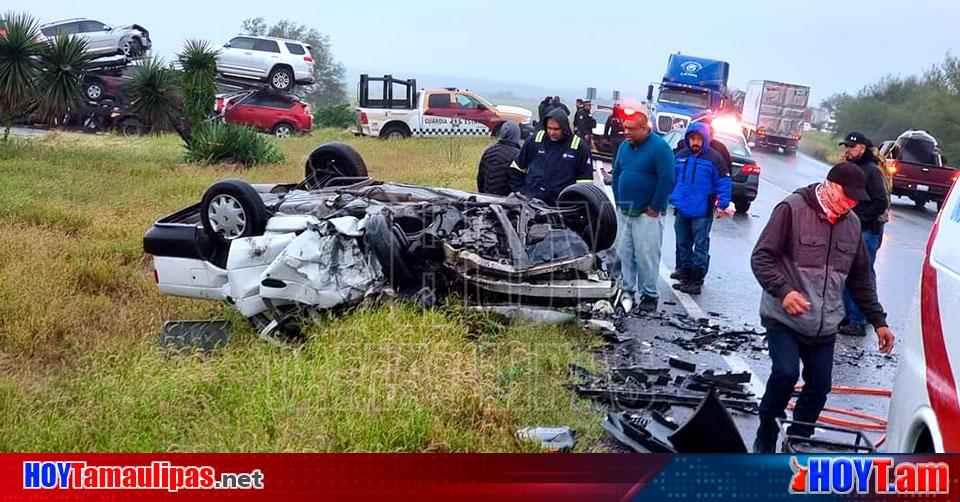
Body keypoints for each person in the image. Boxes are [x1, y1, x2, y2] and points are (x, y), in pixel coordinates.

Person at [750, 162, 895, 453]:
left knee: (819, 385)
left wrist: (879, 321)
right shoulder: (791, 209)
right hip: (785, 316)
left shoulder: (852, 224)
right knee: (786, 374)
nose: (850, 203)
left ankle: (798, 439)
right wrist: (785, 291)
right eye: (847, 196)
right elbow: (761, 257)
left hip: (825, 322)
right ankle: (766, 434)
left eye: (855, 200)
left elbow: (861, 281)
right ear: (829, 185)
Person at [611, 111, 675, 313]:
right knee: (624, 252)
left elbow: (667, 179)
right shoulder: (624, 148)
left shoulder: (660, 149)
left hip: (647, 214)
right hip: (625, 210)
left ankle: (649, 294)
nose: (626, 132)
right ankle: (627, 290)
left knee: (646, 254)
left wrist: (655, 207)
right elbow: (617, 173)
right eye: (625, 128)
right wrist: (618, 200)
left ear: (645, 129)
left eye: (631, 129)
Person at [668, 122, 732, 295]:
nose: (695, 142)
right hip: (682, 207)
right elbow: (672, 178)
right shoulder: (680, 156)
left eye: (699, 139)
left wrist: (723, 203)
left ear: (705, 139)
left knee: (701, 244)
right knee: (683, 243)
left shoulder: (715, 159)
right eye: (692, 139)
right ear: (688, 139)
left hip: (702, 210)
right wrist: (669, 196)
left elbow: (724, 182)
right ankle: (685, 274)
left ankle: (697, 279)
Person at [837, 132, 889, 337]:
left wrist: (857, 221)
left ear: (863, 148)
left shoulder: (871, 171)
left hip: (867, 231)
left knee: (860, 274)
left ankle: (858, 321)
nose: (847, 150)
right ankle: (848, 316)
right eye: (846, 146)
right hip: (854, 229)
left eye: (852, 146)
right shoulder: (854, 168)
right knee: (846, 272)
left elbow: (880, 203)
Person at [509, 107, 593, 205]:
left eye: (556, 129)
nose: (552, 133)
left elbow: (585, 183)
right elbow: (516, 168)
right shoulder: (534, 140)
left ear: (564, 127)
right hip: (530, 201)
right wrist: (519, 191)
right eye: (549, 128)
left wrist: (573, 204)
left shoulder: (579, 146)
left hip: (560, 206)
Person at [476, 121, 522, 196]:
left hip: (487, 197)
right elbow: (517, 183)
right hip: (505, 200)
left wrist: (482, 195)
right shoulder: (517, 154)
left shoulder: (489, 151)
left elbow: (480, 178)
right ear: (517, 135)